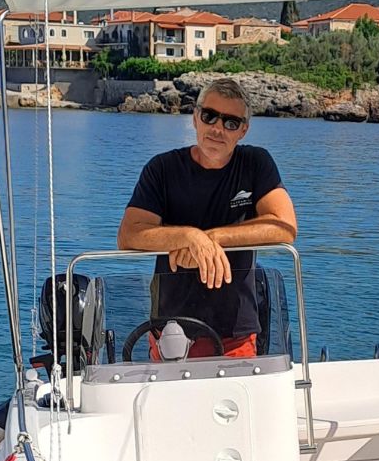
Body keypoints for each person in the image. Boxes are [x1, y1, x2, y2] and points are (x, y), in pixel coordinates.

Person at [117, 77, 298, 359]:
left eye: (230, 122)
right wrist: (188, 237)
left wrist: (212, 238)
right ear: (195, 118)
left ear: (243, 131)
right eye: (210, 116)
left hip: (236, 335)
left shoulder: (255, 164)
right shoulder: (162, 169)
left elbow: (284, 227)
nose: (217, 128)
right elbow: (129, 235)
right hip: (170, 331)